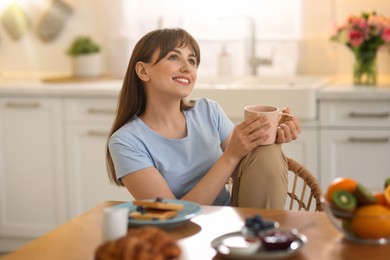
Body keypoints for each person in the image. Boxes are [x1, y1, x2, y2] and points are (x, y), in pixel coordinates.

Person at [106, 28, 301, 209]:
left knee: (268, 152)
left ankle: (262, 238)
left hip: (231, 223)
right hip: (179, 235)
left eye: (192, 61)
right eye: (173, 57)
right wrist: (230, 156)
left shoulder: (208, 110)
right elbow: (171, 214)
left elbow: (252, 164)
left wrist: (270, 135)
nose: (187, 68)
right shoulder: (126, 141)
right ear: (143, 71)